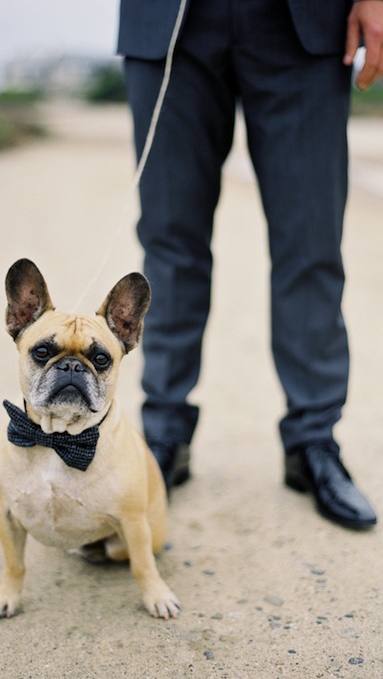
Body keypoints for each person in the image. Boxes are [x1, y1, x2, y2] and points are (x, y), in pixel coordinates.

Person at [117, 0, 383, 529]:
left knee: (311, 244)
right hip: (168, 21)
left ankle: (312, 442)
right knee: (170, 242)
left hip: (304, 21)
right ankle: (163, 434)